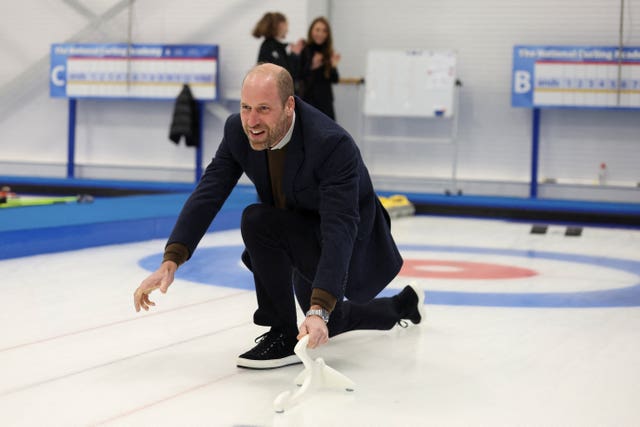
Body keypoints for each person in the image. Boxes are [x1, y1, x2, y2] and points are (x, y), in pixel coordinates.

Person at [133, 63, 425, 370]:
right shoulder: (237, 130)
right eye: (246, 107)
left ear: (289, 105)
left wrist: (318, 308)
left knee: (259, 222)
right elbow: (209, 192)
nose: (252, 121)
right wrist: (172, 258)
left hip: (350, 243)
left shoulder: (331, 144)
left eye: (263, 109)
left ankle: (283, 335)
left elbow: (340, 226)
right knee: (329, 320)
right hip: (298, 230)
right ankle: (403, 305)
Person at [299, 16, 341, 120]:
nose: (320, 34)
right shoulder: (305, 50)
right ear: (311, 31)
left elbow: (335, 79)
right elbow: (300, 77)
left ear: (328, 34)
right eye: (317, 30)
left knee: (329, 134)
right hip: (309, 102)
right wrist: (313, 66)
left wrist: (334, 65)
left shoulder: (328, 52)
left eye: (324, 31)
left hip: (326, 103)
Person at [252, 12, 304, 83]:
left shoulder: (277, 46)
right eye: (286, 25)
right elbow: (283, 73)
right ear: (281, 25)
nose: (287, 30)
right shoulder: (269, 47)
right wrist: (294, 55)